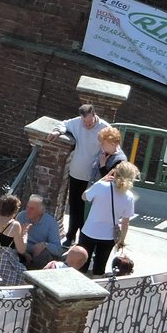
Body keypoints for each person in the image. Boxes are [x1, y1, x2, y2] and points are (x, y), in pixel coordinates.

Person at [57, 104, 105, 242]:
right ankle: (70, 236)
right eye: (84, 122)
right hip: (76, 173)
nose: (87, 125)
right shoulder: (77, 123)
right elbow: (63, 124)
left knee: (87, 210)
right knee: (74, 207)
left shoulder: (104, 128)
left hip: (92, 177)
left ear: (95, 116)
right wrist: (57, 131)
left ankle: (84, 239)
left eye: (90, 122)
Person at [80, 160, 137, 275]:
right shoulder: (129, 196)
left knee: (82, 265)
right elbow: (125, 222)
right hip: (108, 236)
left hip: (89, 231)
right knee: (100, 267)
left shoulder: (101, 186)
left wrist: (101, 180)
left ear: (115, 173)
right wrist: (121, 240)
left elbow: (84, 196)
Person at [16, 193, 64, 270]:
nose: (28, 210)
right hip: (22, 251)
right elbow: (13, 239)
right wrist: (24, 253)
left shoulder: (50, 223)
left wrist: (44, 245)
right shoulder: (21, 216)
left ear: (41, 211)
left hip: (38, 256)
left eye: (32, 208)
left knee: (45, 255)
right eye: (27, 207)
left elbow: (58, 249)